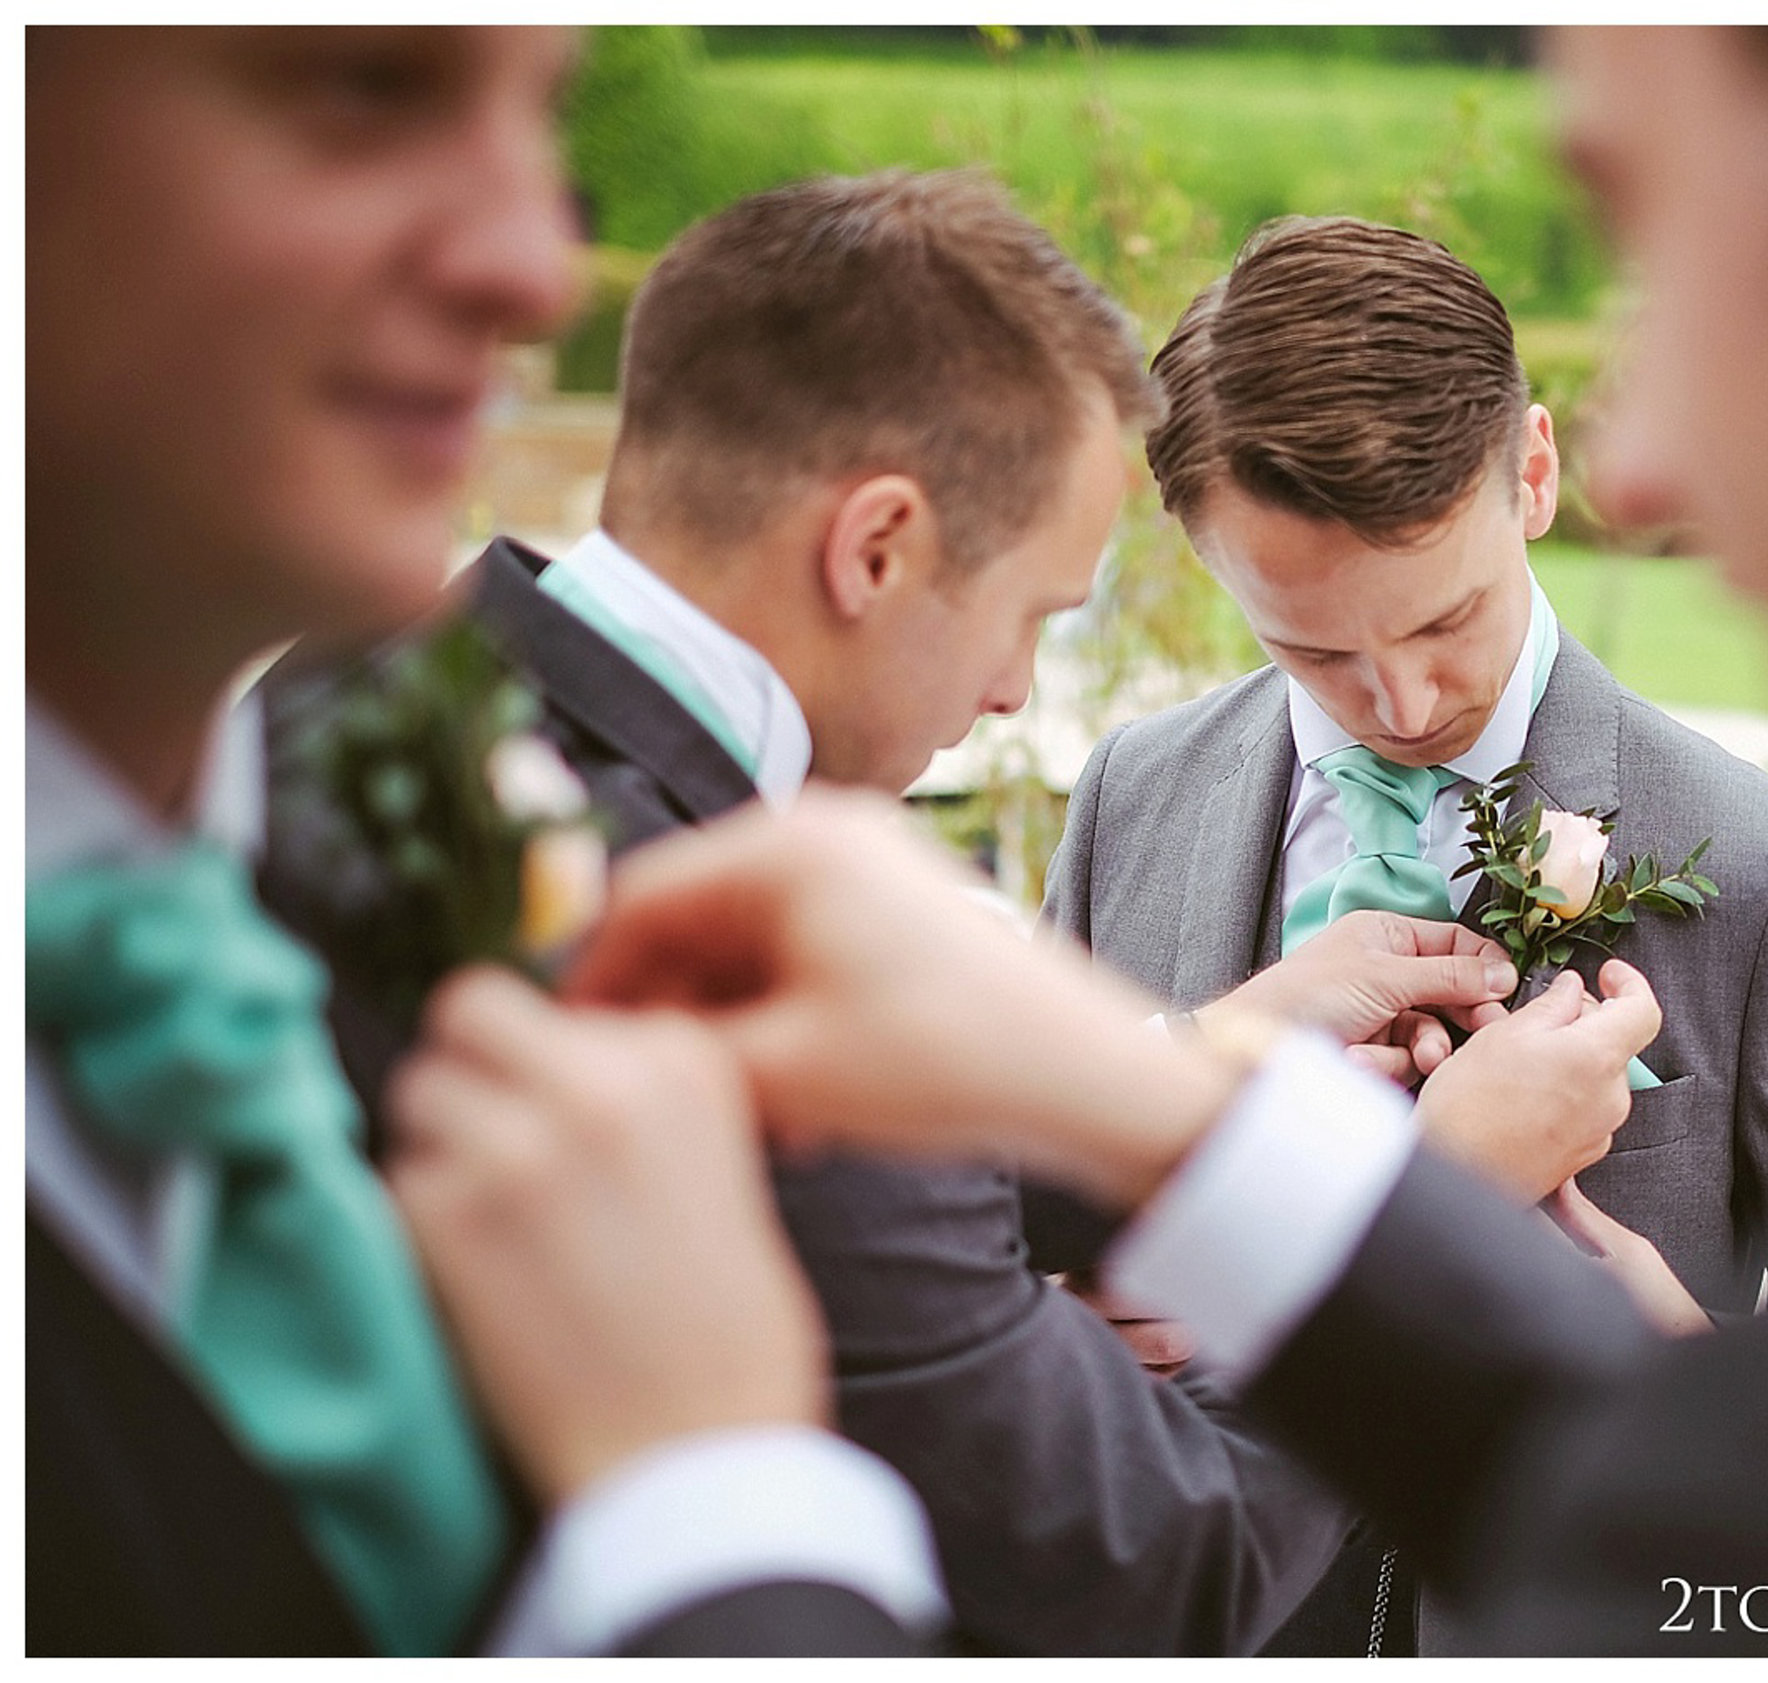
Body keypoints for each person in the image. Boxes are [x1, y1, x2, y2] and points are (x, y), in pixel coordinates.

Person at [488, 23, 1768, 1655]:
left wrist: (701, 1487)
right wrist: (1166, 1121)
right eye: (1314, 647)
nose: (1655, 458)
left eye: (1643, 219)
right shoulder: (1134, 793)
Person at [257, 167, 1647, 1654]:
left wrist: (1183, 1059)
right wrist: (1433, 1184)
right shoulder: (689, 968)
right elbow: (1157, 1568)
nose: (1008, 696)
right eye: (1036, 617)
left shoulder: (348, 699)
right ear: (875, 549)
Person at [21, 25, 972, 1655]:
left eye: (542, 109)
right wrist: (713, 1505)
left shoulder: (259, 945)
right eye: (365, 88)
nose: (533, 269)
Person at [1038, 213, 1768, 1652]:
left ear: (1532, 471)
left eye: (1443, 621)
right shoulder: (1131, 798)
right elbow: (1011, 1218)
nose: (1397, 702)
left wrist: (1693, 1379)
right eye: (1314, 649)